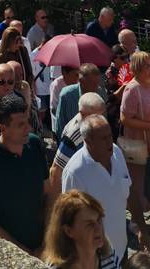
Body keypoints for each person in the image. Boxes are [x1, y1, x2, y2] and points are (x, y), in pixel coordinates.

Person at [0, 93, 49, 255]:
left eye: (27, 122)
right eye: (20, 124)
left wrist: (47, 241)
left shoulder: (35, 145)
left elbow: (47, 195)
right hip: (10, 255)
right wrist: (24, 253)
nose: (28, 128)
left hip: (44, 247)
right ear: (2, 128)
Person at [62, 114, 130, 263]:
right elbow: (70, 221)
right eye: (103, 138)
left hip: (121, 249)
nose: (110, 142)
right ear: (88, 142)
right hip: (95, 256)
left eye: (110, 136)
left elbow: (128, 192)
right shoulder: (75, 173)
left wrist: (142, 228)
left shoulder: (117, 153)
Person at [120, 51, 150, 253]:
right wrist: (149, 126)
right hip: (139, 143)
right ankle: (137, 220)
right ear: (137, 68)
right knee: (137, 181)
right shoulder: (132, 89)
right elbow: (125, 119)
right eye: (146, 64)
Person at [42, 189, 119, 269]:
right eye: (90, 224)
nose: (98, 228)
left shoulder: (109, 257)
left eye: (99, 220)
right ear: (69, 231)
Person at [48, 92, 106, 198]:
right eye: (96, 116)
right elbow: (56, 171)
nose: (101, 120)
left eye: (101, 115)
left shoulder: (89, 125)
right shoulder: (74, 135)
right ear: (83, 114)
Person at [56, 64, 101, 136]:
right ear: (81, 82)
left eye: (97, 83)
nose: (96, 87)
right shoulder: (67, 95)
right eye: (93, 83)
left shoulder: (100, 93)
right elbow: (60, 124)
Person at [104, 45, 128, 140]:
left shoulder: (124, 70)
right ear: (114, 58)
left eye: (126, 57)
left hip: (123, 109)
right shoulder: (110, 73)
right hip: (114, 113)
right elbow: (112, 98)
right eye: (122, 58)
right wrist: (125, 86)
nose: (125, 60)